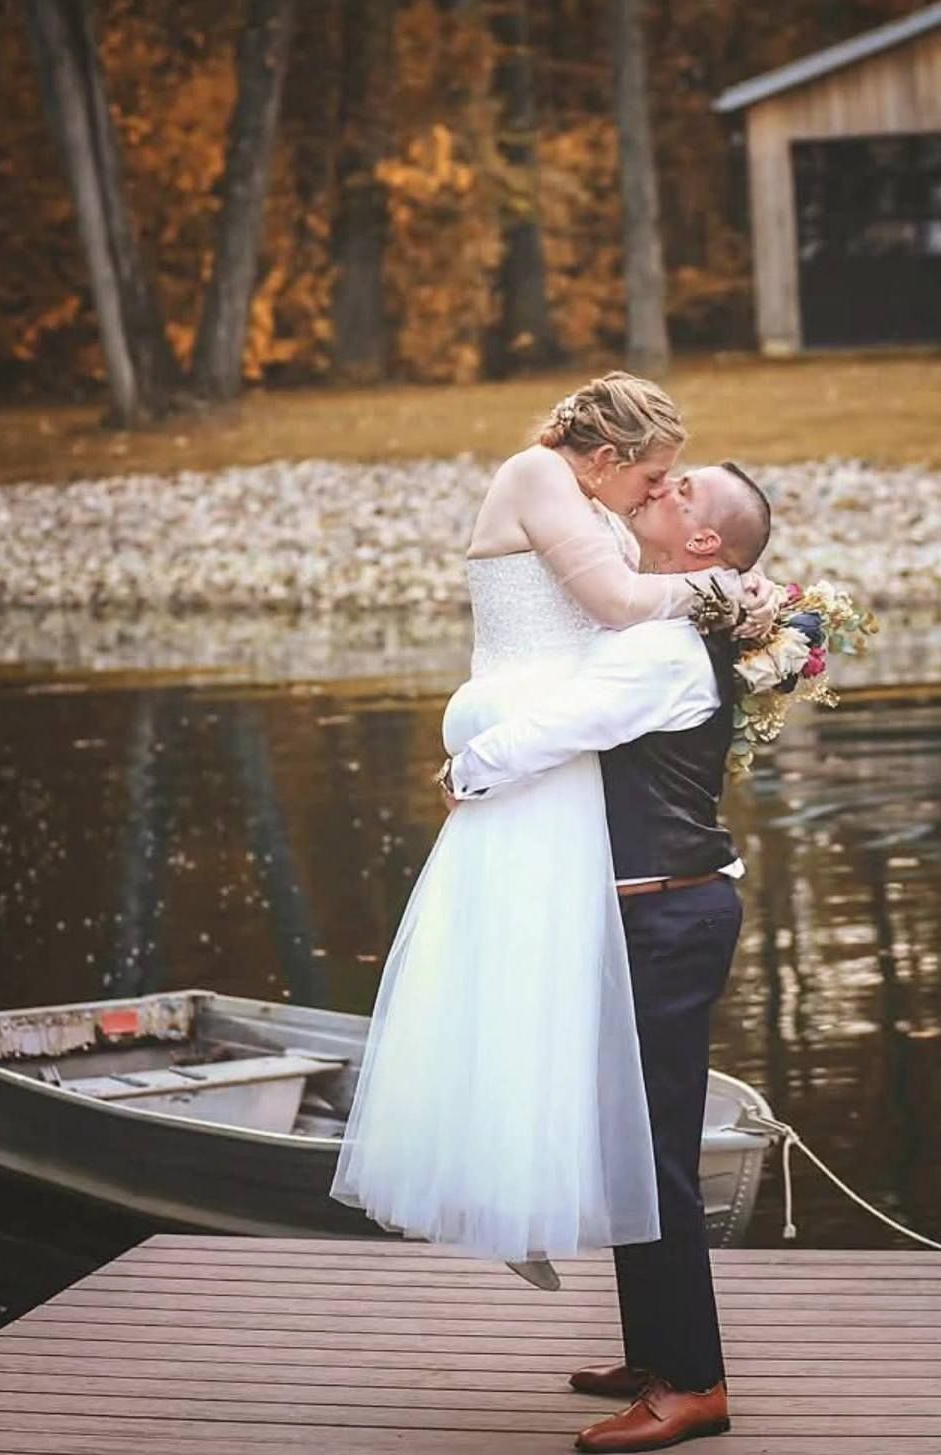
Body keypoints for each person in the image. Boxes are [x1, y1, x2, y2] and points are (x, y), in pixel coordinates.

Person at [330, 374, 770, 1292]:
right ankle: (500, 1180)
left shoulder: (593, 502)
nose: (658, 490)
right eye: (654, 475)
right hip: (532, 724)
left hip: (556, 736)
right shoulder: (538, 474)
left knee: (545, 983)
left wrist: (733, 604)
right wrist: (725, 591)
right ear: (607, 458)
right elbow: (613, 604)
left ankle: (525, 1186)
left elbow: (626, 612)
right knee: (514, 969)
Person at [444, 461, 773, 1453]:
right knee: (634, 1142)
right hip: (653, 915)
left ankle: (694, 1385)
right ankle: (654, 1353)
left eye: (684, 491)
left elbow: (558, 730)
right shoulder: (657, 626)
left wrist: (467, 768)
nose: (662, 484)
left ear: (704, 543)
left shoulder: (662, 651)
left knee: (660, 1155)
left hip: (666, 920)